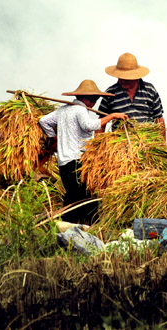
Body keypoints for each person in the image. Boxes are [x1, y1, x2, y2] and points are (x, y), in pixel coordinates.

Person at [39, 79, 128, 224]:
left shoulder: (63, 110)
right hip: (76, 160)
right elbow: (89, 126)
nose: (94, 104)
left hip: (63, 163)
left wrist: (54, 138)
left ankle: (69, 226)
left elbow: (44, 121)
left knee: (72, 195)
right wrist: (112, 116)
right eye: (94, 100)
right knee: (85, 197)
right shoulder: (80, 110)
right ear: (89, 100)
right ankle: (86, 225)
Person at [98, 52, 166, 140]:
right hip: (120, 143)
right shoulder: (110, 93)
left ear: (135, 76)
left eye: (127, 78)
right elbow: (101, 122)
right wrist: (98, 145)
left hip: (147, 142)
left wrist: (162, 145)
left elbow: (159, 119)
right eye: (120, 77)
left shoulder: (150, 90)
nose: (123, 81)